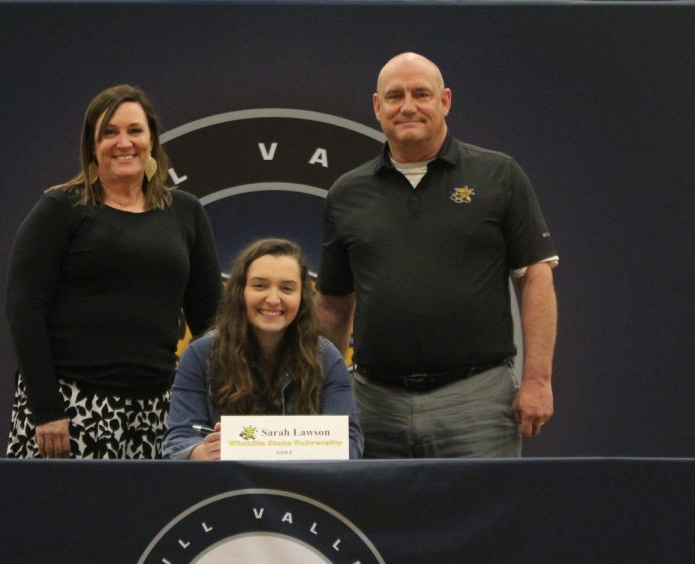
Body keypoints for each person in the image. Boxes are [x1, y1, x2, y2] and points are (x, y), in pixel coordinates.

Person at [315, 52, 558, 458]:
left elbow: (536, 276)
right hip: (375, 405)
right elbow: (333, 305)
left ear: (445, 101)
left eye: (421, 94)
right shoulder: (346, 193)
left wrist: (538, 380)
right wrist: (326, 395)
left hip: (477, 401)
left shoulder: (499, 175)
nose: (407, 106)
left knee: (484, 519)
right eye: (394, 96)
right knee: (376, 521)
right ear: (378, 108)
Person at [6, 84, 221, 459]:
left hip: (159, 412)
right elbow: (24, 308)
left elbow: (210, 320)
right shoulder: (60, 209)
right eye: (109, 132)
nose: (124, 142)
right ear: (92, 145)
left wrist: (215, 405)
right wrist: (47, 409)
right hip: (71, 410)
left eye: (134, 130)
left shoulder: (185, 212)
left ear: (152, 139)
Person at [163, 238, 364, 460]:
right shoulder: (200, 355)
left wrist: (308, 448)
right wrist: (201, 451)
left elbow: (350, 443)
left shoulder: (326, 357)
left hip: (304, 488)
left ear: (303, 297)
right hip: (225, 488)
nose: (273, 299)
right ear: (240, 292)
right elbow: (177, 442)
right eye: (259, 285)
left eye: (287, 288)